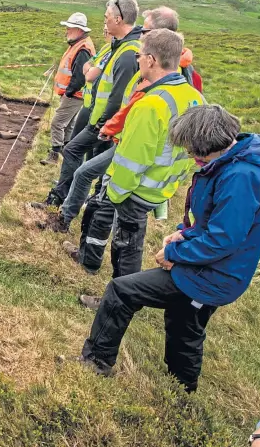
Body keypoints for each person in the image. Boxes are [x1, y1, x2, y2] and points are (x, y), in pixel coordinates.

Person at [80, 105, 260, 393]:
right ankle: (182, 390)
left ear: (208, 143)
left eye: (192, 149)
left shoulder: (240, 176)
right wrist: (185, 234)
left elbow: (224, 239)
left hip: (214, 275)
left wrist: (173, 255)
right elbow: (217, 220)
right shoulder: (232, 161)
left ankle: (97, 360)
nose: (190, 156)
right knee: (184, 324)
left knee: (122, 291)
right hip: (214, 269)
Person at [75, 28, 204, 288]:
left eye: (140, 55)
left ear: (151, 60)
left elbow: (132, 160)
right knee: (129, 241)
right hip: (162, 186)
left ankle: (120, 294)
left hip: (136, 189)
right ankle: (105, 274)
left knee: (126, 246)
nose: (138, 60)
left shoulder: (150, 105)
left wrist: (115, 193)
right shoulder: (195, 97)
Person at [40, 6, 185, 234]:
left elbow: (123, 101)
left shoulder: (136, 62)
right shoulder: (141, 62)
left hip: (128, 148)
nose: (140, 33)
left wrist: (107, 127)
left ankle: (69, 220)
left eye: (145, 30)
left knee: (105, 194)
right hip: (118, 136)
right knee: (97, 186)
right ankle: (80, 235)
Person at [32, 0, 143, 209]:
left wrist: (102, 125)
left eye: (107, 17)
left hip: (105, 124)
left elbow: (117, 97)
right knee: (84, 156)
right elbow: (94, 74)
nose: (105, 22)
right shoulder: (117, 47)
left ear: (119, 19)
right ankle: (74, 198)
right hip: (97, 116)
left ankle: (65, 201)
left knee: (76, 153)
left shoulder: (128, 53)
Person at [40, 13, 95, 165]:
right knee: (68, 124)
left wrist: (69, 93)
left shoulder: (82, 49)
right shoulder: (79, 45)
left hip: (74, 95)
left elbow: (80, 77)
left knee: (57, 123)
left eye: (69, 28)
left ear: (78, 30)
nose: (66, 31)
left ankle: (54, 154)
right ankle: (67, 153)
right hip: (75, 94)